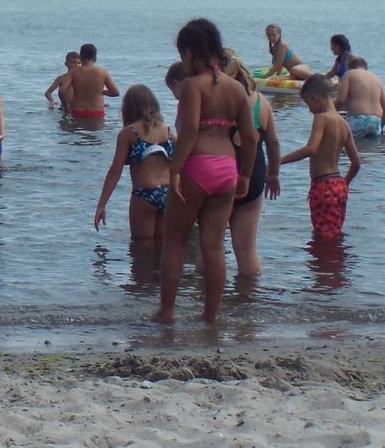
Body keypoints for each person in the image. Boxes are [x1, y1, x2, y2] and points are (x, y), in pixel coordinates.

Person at [158, 18, 258, 324]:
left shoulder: (192, 85)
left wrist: (175, 170)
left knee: (174, 241)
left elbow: (189, 130)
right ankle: (210, 315)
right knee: (214, 246)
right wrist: (245, 174)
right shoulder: (236, 88)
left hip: (196, 165)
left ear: (189, 52)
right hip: (227, 169)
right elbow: (250, 137)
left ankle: (166, 312)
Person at [281, 74, 361, 241]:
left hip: (323, 185)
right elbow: (356, 163)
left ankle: (326, 259)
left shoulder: (321, 118)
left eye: (308, 104)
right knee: (333, 234)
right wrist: (345, 183)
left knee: (323, 238)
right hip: (338, 185)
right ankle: (337, 258)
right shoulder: (344, 123)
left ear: (315, 98)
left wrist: (278, 161)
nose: (310, 109)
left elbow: (311, 149)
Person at [93, 84, 173, 241]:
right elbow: (178, 167)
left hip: (144, 194)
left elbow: (115, 171)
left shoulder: (129, 133)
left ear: (128, 108)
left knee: (140, 246)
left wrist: (102, 204)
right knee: (161, 245)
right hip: (168, 193)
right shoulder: (168, 131)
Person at [226, 65, 282, 277]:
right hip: (255, 175)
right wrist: (273, 174)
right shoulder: (261, 102)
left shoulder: (222, 100)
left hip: (226, 173)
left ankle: (204, 291)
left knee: (210, 245)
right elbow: (273, 142)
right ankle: (248, 293)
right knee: (246, 248)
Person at [338, 55, 385, 141]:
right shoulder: (376, 78)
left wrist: (331, 111)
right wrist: (380, 127)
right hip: (376, 122)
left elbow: (341, 100)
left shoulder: (349, 74)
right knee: (372, 148)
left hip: (358, 120)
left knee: (351, 145)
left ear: (349, 67)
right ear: (366, 68)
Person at [64, 44, 119, 120]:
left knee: (77, 127)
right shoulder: (102, 72)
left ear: (81, 57)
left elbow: (62, 91)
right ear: (95, 58)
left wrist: (66, 107)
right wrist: (101, 92)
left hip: (78, 110)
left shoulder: (73, 72)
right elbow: (115, 92)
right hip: (97, 111)